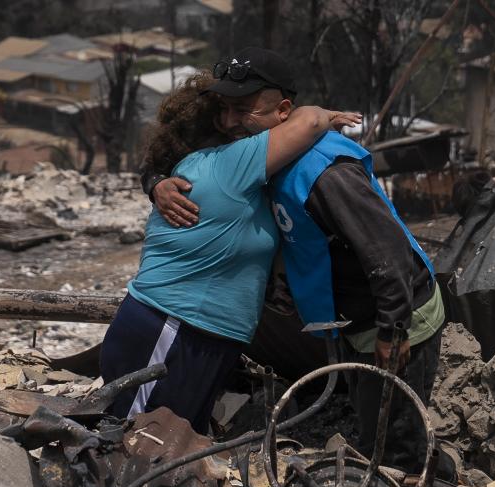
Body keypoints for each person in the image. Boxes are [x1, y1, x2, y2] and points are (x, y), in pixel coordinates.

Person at [144, 47, 445, 473]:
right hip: (358, 318)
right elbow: (167, 153)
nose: (230, 123)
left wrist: (392, 329)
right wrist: (155, 182)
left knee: (394, 441)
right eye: (224, 110)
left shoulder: (324, 171)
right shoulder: (263, 155)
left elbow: (387, 250)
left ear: (284, 111)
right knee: (376, 422)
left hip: (398, 315)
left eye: (243, 110)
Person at [100, 70, 360, 435]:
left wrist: (154, 181)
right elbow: (311, 121)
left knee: (168, 453)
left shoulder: (227, 173)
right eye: (230, 111)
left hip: (202, 337)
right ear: (214, 121)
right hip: (173, 330)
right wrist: (327, 115)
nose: (237, 120)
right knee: (130, 447)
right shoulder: (225, 165)